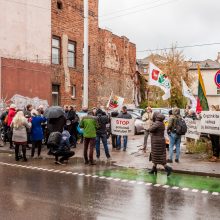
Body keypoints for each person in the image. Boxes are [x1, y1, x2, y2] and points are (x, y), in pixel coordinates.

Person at [148, 112, 172, 176]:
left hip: (157, 142)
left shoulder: (157, 123)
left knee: (158, 156)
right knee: (155, 155)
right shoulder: (161, 122)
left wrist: (150, 125)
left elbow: (151, 129)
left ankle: (167, 168)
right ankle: (154, 168)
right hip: (159, 141)